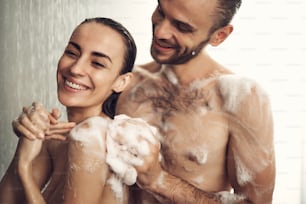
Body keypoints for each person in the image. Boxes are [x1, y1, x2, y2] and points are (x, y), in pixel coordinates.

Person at [6, 0, 276, 203]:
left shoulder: (240, 99)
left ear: (220, 35)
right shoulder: (124, 85)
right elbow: (76, 150)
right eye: (161, 10)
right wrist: (32, 128)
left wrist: (160, 180)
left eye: (181, 26)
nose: (160, 32)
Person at [0, 17, 143, 204]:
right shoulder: (57, 138)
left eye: (97, 63)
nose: (76, 69)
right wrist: (29, 137)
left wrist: (24, 167)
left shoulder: (93, 135)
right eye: (72, 53)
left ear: (121, 81)